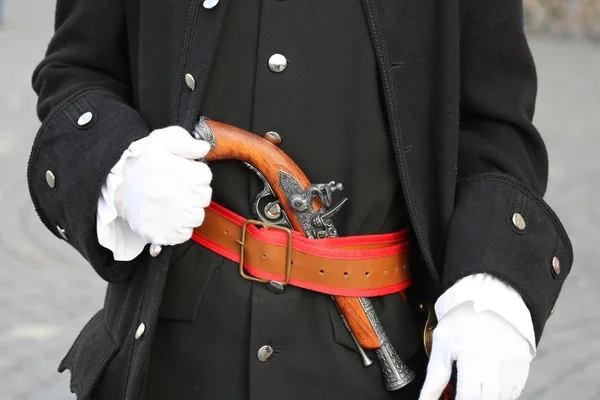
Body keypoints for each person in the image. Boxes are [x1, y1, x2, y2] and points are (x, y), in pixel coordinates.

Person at [27, 0, 573, 399]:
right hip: (169, 360)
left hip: (369, 365)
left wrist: (492, 289)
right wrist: (119, 168)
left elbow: (492, 127)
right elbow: (77, 72)